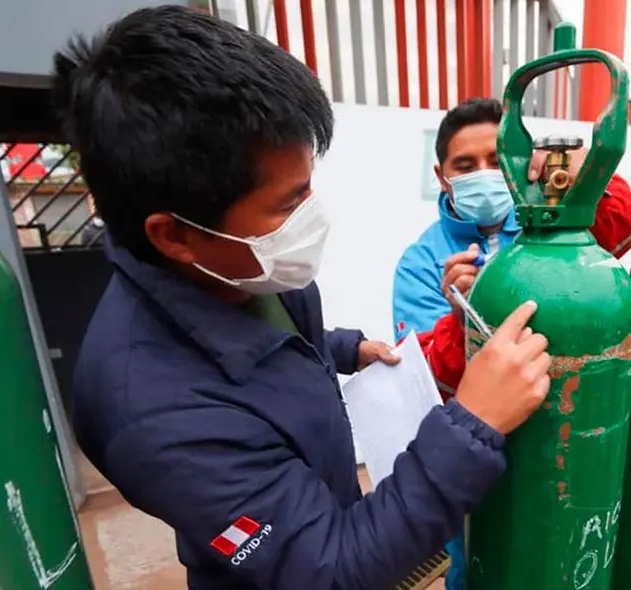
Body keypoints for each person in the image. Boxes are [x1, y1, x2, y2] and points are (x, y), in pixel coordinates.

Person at [59, 7, 554, 589]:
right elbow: (331, 570)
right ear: (175, 235)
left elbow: (271, 340)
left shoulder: (244, 268)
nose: (311, 214)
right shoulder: (154, 415)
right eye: (288, 202)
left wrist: (346, 349)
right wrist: (473, 423)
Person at [391, 97, 631, 589]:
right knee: (482, 562)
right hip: (480, 455)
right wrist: (462, 313)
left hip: (570, 435)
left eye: (495, 159)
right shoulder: (421, 262)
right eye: (466, 165)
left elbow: (621, 225)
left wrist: (582, 171)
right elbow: (426, 372)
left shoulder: (552, 226)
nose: (484, 174)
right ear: (443, 177)